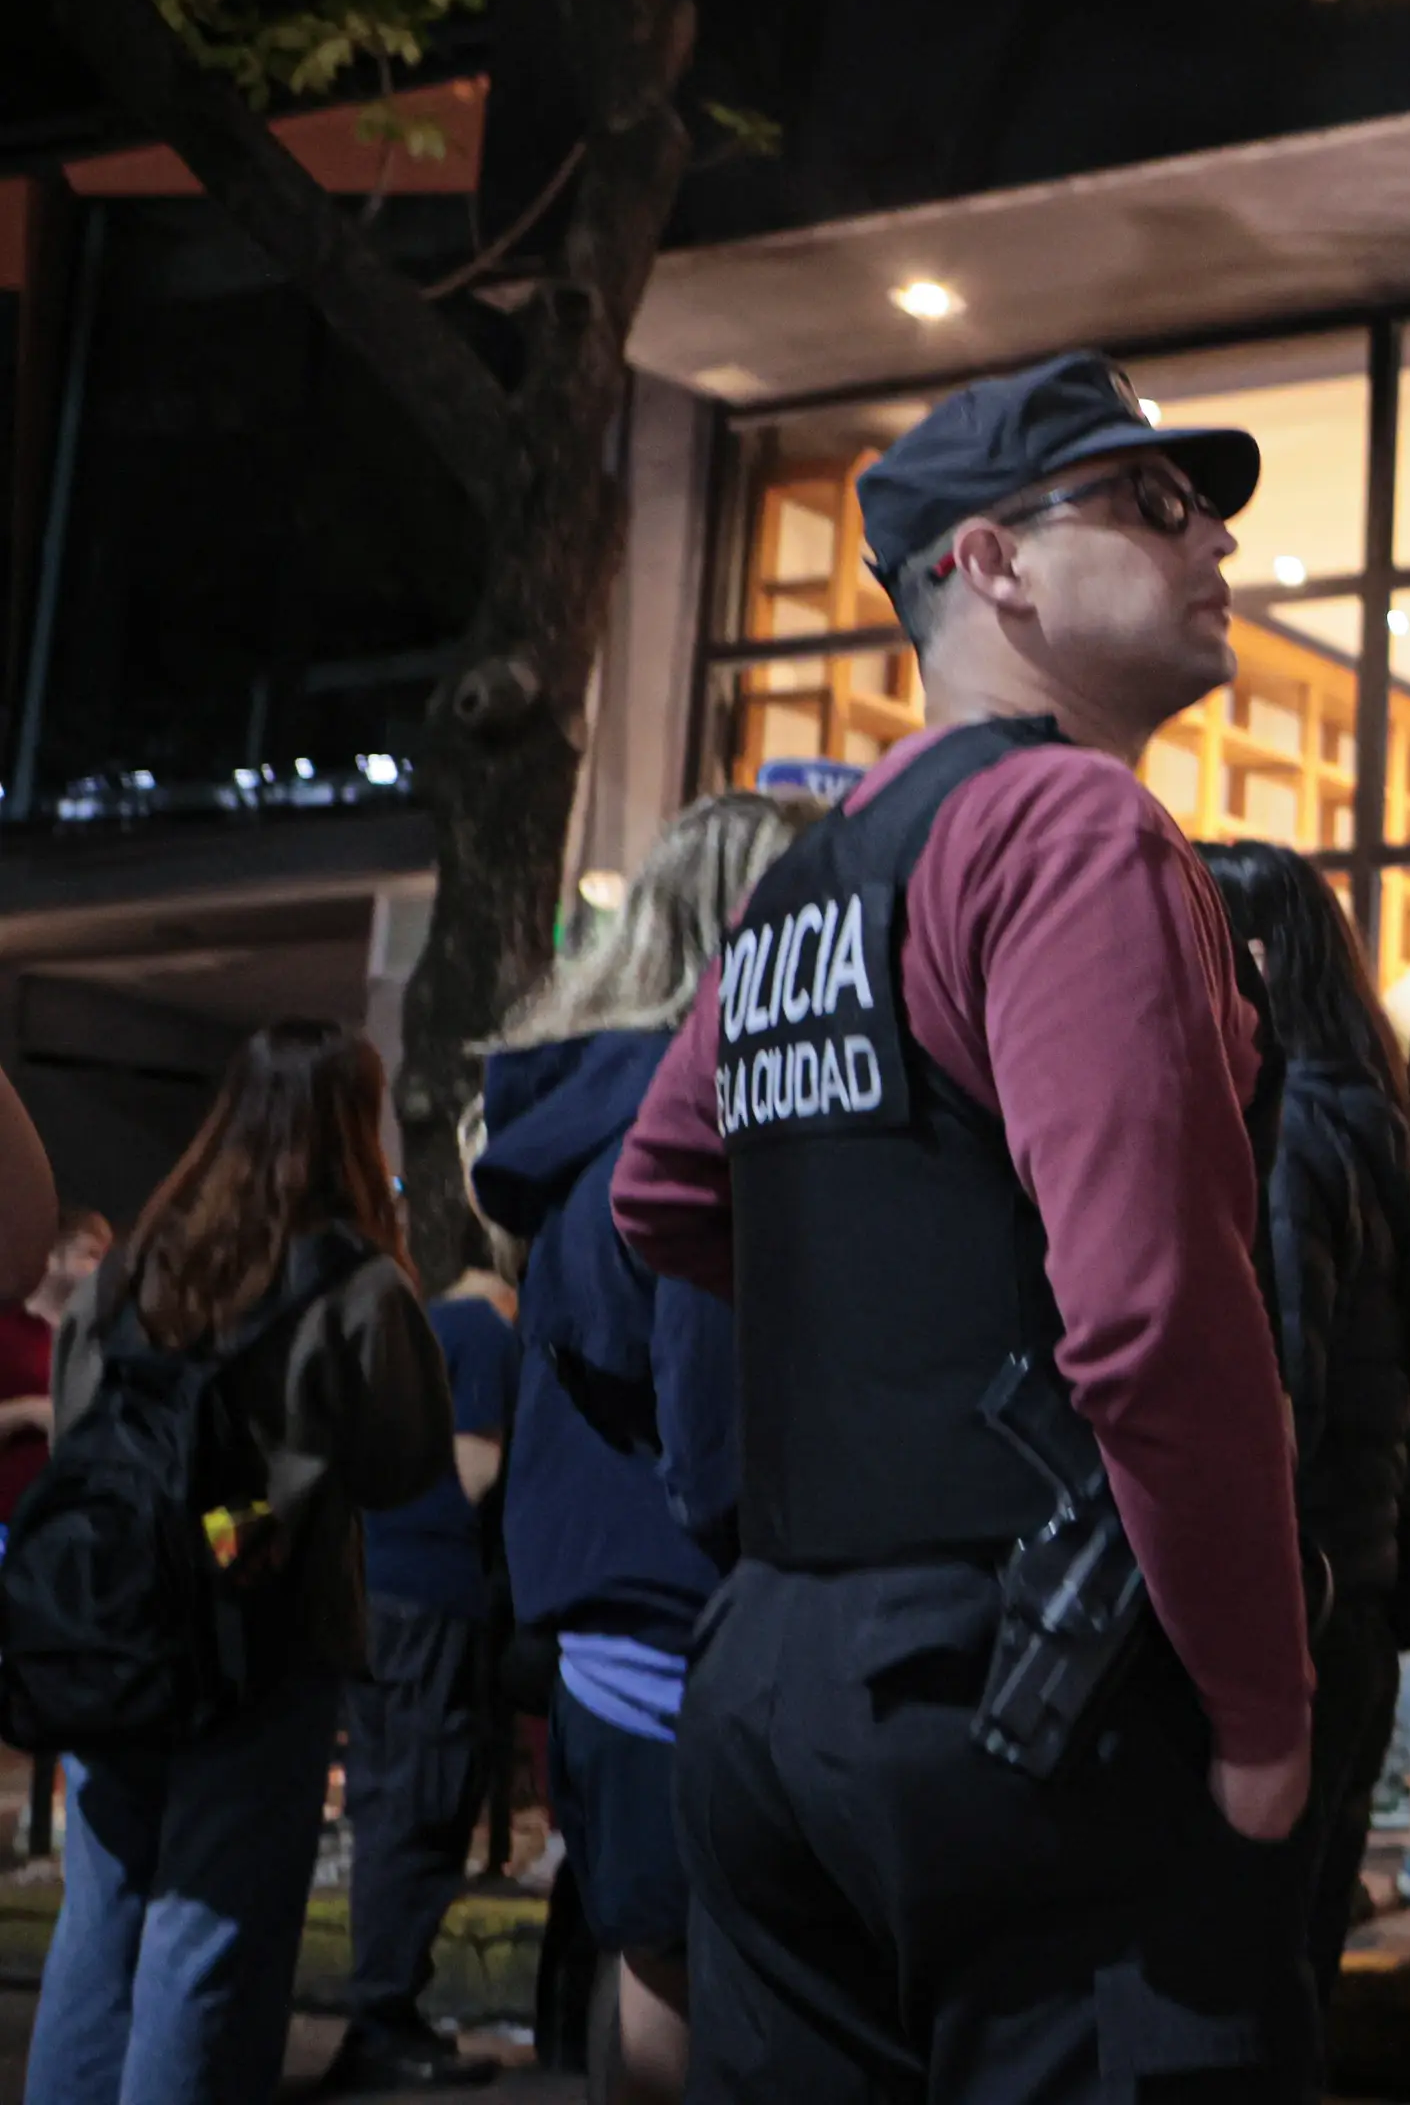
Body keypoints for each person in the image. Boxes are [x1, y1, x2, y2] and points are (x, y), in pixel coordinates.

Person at [613, 351, 1321, 2101]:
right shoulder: (1071, 828)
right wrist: (1261, 1707)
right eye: (1149, 505)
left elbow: (663, 1190)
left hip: (778, 1675)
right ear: (992, 564)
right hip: (1026, 1700)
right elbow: (1152, 1318)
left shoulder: (816, 872)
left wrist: (891, 1333)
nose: (1207, 538)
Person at [27, 1022, 453, 2105]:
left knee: (102, 1912)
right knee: (208, 1933)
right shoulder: (355, 1285)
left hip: (108, 1631)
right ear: (352, 1125)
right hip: (258, 1639)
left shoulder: (131, 1266)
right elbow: (406, 1463)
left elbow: (80, 1430)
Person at [476, 791, 812, 2105]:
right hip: (690, 1623)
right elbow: (702, 1401)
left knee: (654, 1978)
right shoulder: (682, 1118)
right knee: (699, 1995)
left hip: (612, 1621)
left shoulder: (576, 1109)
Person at [1200, 835, 1410, 2079]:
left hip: (1290, 1603)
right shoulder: (1376, 1120)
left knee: (1238, 1971)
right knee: (1290, 1961)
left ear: (1258, 959)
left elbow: (1281, 1399)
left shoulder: (1293, 1128)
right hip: (1354, 1597)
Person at [327, 1255, 522, 2091]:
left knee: (382, 1799)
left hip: (373, 1593)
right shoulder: (485, 1334)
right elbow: (476, 1475)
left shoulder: (414, 1327)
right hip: (436, 1603)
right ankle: (383, 2015)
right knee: (428, 1799)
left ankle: (380, 2006)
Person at [0, 1206, 112, 1521]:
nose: (102, 1270)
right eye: (91, 1254)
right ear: (52, 1256)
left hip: (51, 1530)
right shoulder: (7, 1327)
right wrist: (31, 1412)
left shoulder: (94, 1350)